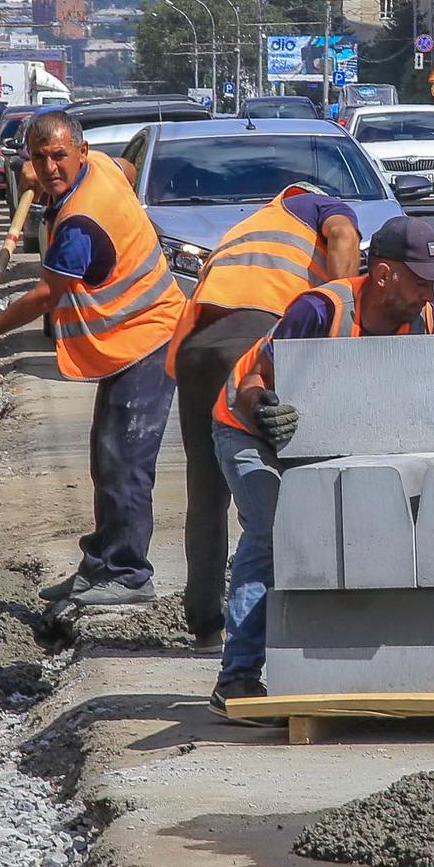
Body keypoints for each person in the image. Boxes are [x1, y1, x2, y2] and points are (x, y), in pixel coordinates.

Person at [208, 218, 434, 715]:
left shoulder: (433, 322)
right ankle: (237, 679)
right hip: (250, 432)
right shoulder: (320, 310)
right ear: (383, 275)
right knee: (274, 531)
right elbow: (253, 384)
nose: (428, 293)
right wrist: (266, 409)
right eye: (420, 281)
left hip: (324, 440)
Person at [0, 110, 187, 608]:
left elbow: (44, 296)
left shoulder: (82, 220)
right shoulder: (101, 166)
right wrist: (41, 187)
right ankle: (100, 564)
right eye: (40, 158)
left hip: (149, 335)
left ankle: (128, 575)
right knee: (107, 458)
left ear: (79, 152)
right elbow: (126, 170)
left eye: (59, 155)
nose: (50, 166)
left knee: (125, 461)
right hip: (128, 338)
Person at [164, 185, 362, 647]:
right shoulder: (317, 205)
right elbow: (344, 237)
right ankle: (284, 618)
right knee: (284, 483)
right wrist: (342, 311)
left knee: (206, 488)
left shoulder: (248, 230)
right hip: (254, 339)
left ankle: (205, 624)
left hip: (197, 352)